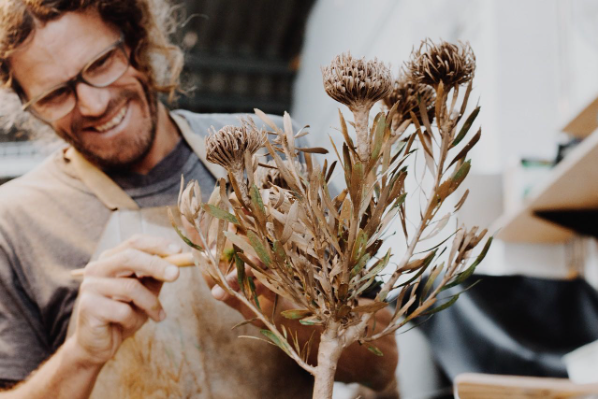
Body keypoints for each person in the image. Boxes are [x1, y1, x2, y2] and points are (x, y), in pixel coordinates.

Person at [0, 0, 398, 398]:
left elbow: (381, 363)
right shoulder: (15, 223)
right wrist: (82, 356)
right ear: (27, 106)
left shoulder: (273, 151)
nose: (94, 104)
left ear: (135, 42)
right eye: (55, 95)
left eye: (101, 63)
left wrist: (275, 306)